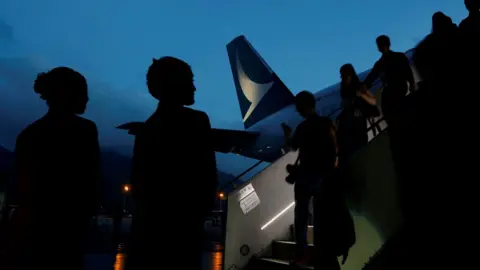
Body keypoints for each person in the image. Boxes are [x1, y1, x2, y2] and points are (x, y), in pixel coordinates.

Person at [1, 67, 101, 270]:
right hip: (66, 230)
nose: (87, 99)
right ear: (66, 94)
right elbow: (91, 181)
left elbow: (25, 191)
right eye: (83, 93)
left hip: (35, 231)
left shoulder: (30, 135)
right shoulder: (86, 131)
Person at [126, 57, 218, 270]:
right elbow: (207, 175)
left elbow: (139, 184)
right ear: (175, 84)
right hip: (184, 230)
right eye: (189, 80)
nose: (194, 87)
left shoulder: (147, 129)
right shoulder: (197, 121)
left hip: (150, 233)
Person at [281, 91, 339, 269]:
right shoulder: (326, 124)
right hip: (323, 178)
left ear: (304, 106)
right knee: (321, 216)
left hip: (305, 178)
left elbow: (293, 146)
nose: (298, 111)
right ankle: (322, 251)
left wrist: (288, 135)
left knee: (301, 217)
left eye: (299, 107)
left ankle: (303, 253)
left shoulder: (302, 128)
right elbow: (335, 149)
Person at [337, 63, 377, 165]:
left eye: (343, 75)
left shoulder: (360, 87)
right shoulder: (344, 91)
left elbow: (373, 101)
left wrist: (361, 95)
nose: (342, 78)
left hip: (358, 123)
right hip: (350, 125)